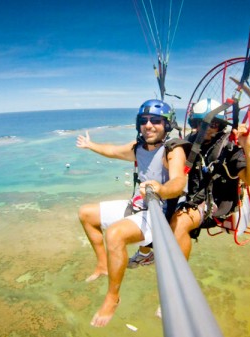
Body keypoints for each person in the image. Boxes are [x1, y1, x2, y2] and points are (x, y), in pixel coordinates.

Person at [76, 99, 188, 327]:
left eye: (156, 121)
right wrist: (91, 145)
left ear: (167, 125)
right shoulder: (138, 147)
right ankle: (103, 265)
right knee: (86, 214)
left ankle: (112, 297)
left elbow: (178, 181)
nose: (149, 125)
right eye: (144, 121)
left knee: (115, 234)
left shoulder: (172, 150)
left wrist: (161, 189)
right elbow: (113, 151)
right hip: (139, 205)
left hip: (161, 212)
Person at [128, 97, 250, 267]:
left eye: (212, 124)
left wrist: (247, 147)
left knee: (180, 221)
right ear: (194, 124)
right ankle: (146, 252)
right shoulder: (190, 141)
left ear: (220, 126)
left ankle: (177, 273)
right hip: (193, 195)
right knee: (152, 208)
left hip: (216, 202)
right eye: (200, 123)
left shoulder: (228, 148)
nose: (205, 129)